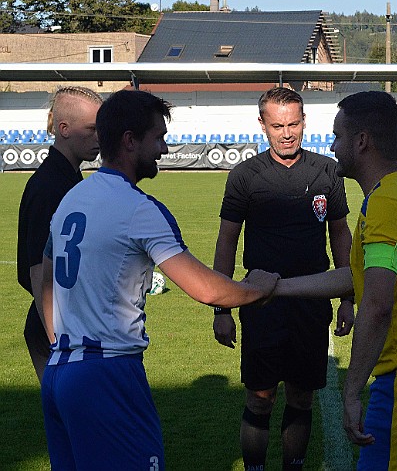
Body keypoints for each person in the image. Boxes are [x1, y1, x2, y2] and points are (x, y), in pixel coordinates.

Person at [40, 90, 279, 470]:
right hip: (108, 374)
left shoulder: (73, 197)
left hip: (59, 373)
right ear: (130, 140)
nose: (164, 149)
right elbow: (206, 288)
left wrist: (60, 343)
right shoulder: (140, 208)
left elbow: (46, 282)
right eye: (158, 138)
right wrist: (261, 286)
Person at [273, 91, 397, 470]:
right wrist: (279, 288)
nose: (331, 146)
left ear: (361, 141)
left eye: (337, 136)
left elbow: (377, 304)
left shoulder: (386, 203)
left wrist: (351, 392)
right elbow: (358, 278)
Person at [212, 87, 353, 470]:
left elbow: (340, 233)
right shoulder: (245, 176)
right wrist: (221, 308)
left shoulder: (327, 171)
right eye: (277, 125)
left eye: (293, 124)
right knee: (260, 396)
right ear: (262, 125)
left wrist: (347, 298)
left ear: (304, 121)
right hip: (261, 305)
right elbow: (227, 239)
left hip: (312, 303)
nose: (287, 133)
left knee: (302, 396)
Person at [16, 86, 103, 383]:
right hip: (54, 329)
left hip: (68, 323)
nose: (99, 138)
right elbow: (38, 271)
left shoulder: (68, 177)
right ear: (63, 129)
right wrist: (59, 341)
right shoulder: (50, 186)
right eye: (91, 129)